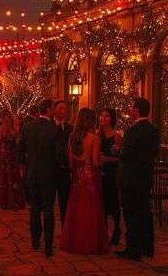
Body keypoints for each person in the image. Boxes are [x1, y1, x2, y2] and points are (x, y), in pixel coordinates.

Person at [112, 97, 160, 262]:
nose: (131, 111)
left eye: (132, 108)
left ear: (137, 110)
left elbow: (126, 155)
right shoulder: (154, 131)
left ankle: (133, 249)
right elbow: (154, 154)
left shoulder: (133, 131)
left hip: (130, 179)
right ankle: (148, 247)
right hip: (145, 178)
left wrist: (116, 150)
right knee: (145, 213)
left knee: (131, 215)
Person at [60, 108, 111, 254]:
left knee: (76, 209)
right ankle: (91, 242)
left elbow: (70, 162)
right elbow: (95, 162)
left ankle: (75, 241)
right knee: (92, 209)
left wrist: (75, 173)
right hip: (91, 176)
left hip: (77, 175)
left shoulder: (71, 138)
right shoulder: (95, 138)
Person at [17, 99, 63, 257]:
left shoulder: (28, 127)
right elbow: (59, 155)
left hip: (33, 173)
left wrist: (28, 162)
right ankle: (48, 246)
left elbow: (20, 148)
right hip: (49, 174)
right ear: (49, 110)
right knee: (49, 209)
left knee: (35, 209)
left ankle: (35, 241)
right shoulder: (55, 130)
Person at [97, 107, 123, 245]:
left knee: (113, 203)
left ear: (111, 119)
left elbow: (120, 158)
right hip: (100, 172)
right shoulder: (97, 134)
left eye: (106, 116)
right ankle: (104, 231)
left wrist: (107, 159)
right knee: (102, 203)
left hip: (112, 172)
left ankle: (117, 229)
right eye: (101, 115)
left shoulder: (116, 136)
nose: (103, 118)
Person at [0, 109, 26, 210]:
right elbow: (18, 141)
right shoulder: (14, 128)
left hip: (3, 154)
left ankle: (3, 200)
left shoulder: (1, 128)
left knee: (3, 175)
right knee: (13, 175)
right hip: (12, 154)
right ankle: (14, 199)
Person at [53, 100, 73, 226]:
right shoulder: (49, 126)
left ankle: (65, 227)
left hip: (65, 171)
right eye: (60, 108)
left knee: (64, 201)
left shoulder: (70, 128)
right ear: (54, 109)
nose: (63, 111)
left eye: (65, 109)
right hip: (51, 169)